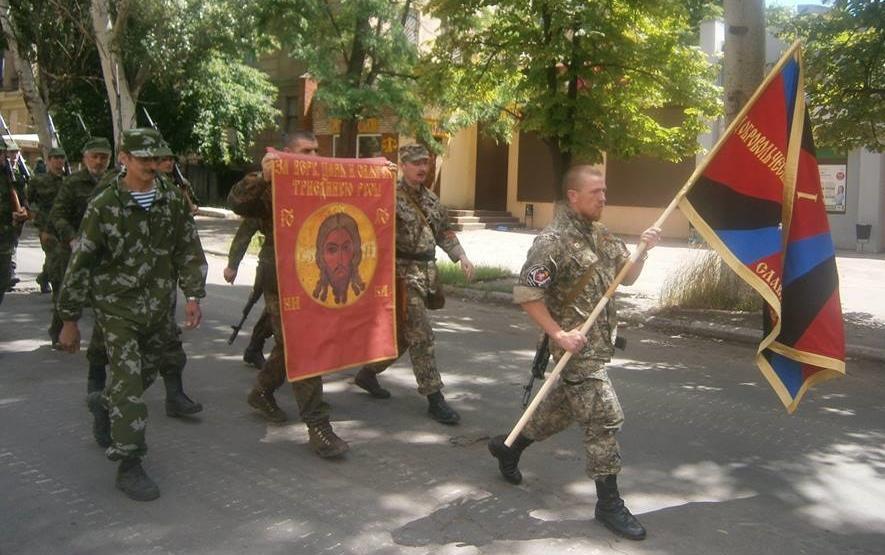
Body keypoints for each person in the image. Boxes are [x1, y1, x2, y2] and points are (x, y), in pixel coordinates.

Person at [487, 165, 661, 541]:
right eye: (595, 191)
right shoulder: (553, 241)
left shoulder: (601, 234)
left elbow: (625, 277)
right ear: (573, 196)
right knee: (603, 418)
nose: (603, 197)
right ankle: (609, 503)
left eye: (604, 191)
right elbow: (527, 294)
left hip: (598, 347)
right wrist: (559, 334)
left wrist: (644, 251)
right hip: (574, 351)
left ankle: (509, 447)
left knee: (560, 409)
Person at [56, 128, 207, 501]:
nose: (152, 167)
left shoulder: (170, 199)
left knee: (143, 377)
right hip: (116, 308)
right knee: (129, 385)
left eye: (157, 160)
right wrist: (69, 319)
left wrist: (192, 294)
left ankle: (103, 402)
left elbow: (187, 247)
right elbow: (82, 263)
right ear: (124, 158)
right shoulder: (105, 204)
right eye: (144, 160)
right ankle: (130, 464)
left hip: (157, 308)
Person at [228, 129, 349, 458]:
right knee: (303, 343)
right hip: (280, 273)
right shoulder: (269, 178)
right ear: (286, 153)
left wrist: (382, 177)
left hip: (314, 270)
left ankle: (262, 390)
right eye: (305, 151)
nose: (312, 158)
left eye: (316, 151)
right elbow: (237, 202)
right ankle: (318, 424)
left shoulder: (323, 179)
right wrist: (263, 178)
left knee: (291, 343)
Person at [353, 143, 475, 425]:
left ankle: (368, 373)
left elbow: (443, 232)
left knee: (406, 336)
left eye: (426, 162)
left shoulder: (431, 200)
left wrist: (462, 256)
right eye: (416, 162)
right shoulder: (388, 195)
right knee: (421, 334)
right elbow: (365, 216)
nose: (423, 168)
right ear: (403, 165)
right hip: (400, 274)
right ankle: (435, 398)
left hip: (426, 273)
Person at [223, 216, 273, 369]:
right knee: (278, 310)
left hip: (299, 260)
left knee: (279, 310)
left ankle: (254, 348)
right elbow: (246, 229)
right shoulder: (269, 196)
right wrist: (233, 264)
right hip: (272, 265)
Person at [27, 147, 67, 294]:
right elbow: (29, 201)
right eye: (55, 158)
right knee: (55, 255)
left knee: (59, 256)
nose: (59, 161)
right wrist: (33, 215)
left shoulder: (69, 181)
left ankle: (44, 277)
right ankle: (58, 295)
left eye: (61, 158)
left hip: (65, 226)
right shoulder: (38, 181)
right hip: (46, 226)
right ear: (48, 161)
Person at [0, 137, 29, 304]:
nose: (1, 157)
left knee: (3, 280)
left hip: (5, 235)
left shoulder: (13, 177)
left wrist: (23, 212)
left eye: (2, 153)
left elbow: (24, 203)